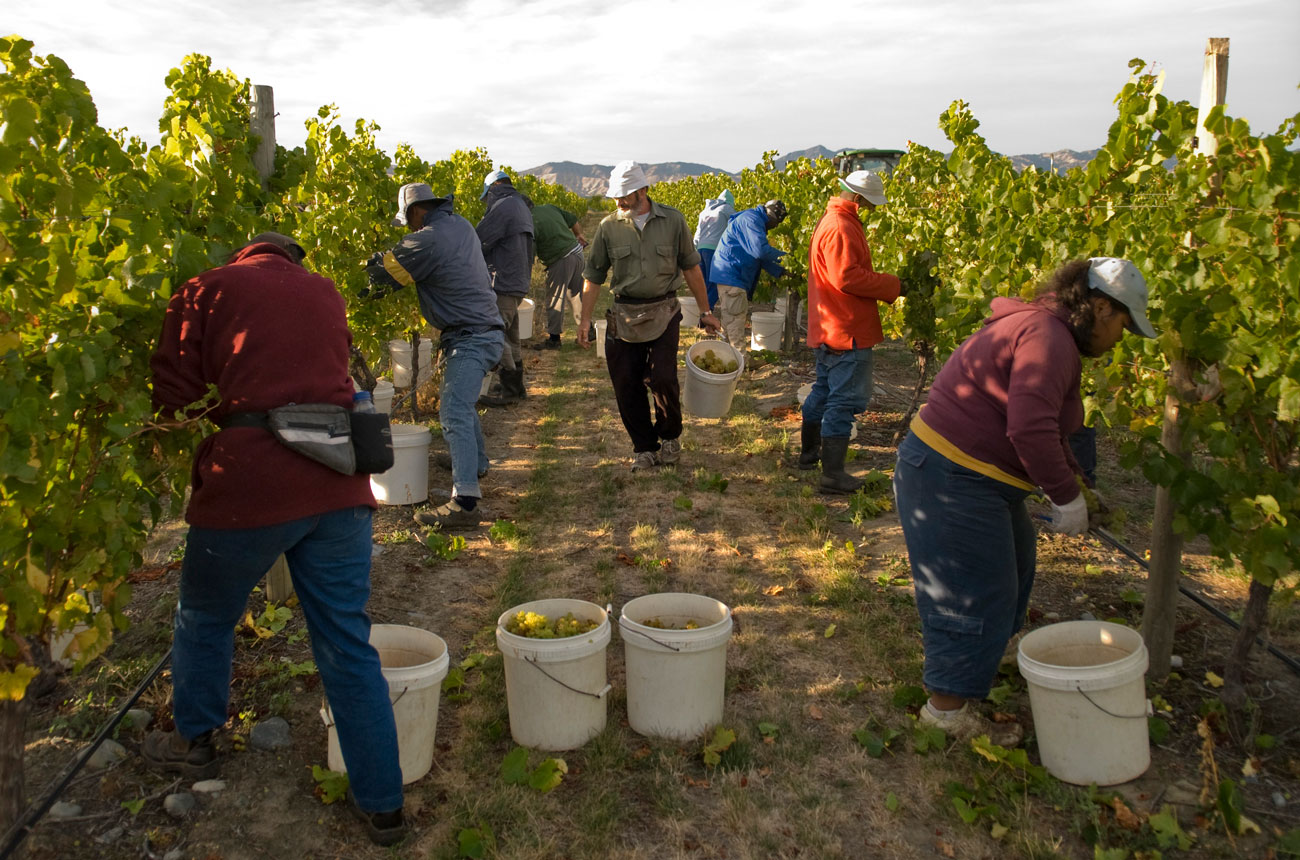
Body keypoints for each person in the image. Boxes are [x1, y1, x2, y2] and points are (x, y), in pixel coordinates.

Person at [146, 232, 407, 846]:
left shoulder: (205, 288)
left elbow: (173, 397)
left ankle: (196, 741)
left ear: (245, 255)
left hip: (250, 486)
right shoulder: (325, 291)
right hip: (338, 485)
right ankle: (384, 807)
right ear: (292, 258)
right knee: (347, 642)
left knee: (205, 615)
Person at [893, 257, 1156, 746]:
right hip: (951, 478)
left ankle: (985, 656)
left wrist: (1077, 485)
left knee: (1016, 569)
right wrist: (1064, 498)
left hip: (974, 476)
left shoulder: (1046, 328)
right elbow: (1029, 428)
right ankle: (945, 712)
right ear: (1100, 308)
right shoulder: (1048, 338)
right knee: (971, 591)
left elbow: (1049, 424)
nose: (1122, 338)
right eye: (1123, 324)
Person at [364, 183, 505, 529]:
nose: (409, 228)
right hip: (484, 330)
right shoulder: (460, 225)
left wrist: (362, 273)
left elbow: (385, 276)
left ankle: (466, 502)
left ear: (416, 211)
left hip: (471, 336)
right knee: (461, 402)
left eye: (408, 221)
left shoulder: (426, 239)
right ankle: (477, 465)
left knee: (453, 408)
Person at [578, 160, 721, 471]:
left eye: (625, 194)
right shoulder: (608, 227)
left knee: (663, 378)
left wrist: (706, 311)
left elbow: (692, 267)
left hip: (664, 310)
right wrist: (585, 320)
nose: (619, 202)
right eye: (616, 196)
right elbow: (594, 276)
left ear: (643, 189)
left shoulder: (673, 221)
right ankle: (644, 447)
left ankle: (669, 437)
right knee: (626, 382)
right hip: (625, 312)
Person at [800, 170, 902, 493]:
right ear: (856, 199)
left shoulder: (830, 221)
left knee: (825, 391)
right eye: (869, 204)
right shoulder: (842, 226)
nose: (871, 210)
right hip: (847, 329)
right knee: (843, 401)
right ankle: (832, 475)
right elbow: (847, 278)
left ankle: (808, 456)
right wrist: (893, 285)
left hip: (829, 326)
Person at [476, 169, 535, 406]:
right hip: (517, 281)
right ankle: (517, 387)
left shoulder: (502, 206)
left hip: (503, 281)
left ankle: (510, 389)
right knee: (512, 335)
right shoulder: (519, 204)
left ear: (493, 188)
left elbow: (479, 241)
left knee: (495, 335)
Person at [711, 199, 789, 349]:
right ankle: (740, 361)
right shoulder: (752, 220)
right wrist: (787, 258)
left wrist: (781, 271)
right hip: (733, 275)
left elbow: (758, 257)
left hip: (729, 274)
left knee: (729, 321)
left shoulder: (752, 219)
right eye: (776, 223)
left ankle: (729, 358)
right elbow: (760, 251)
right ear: (772, 216)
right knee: (735, 321)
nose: (776, 227)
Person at [530, 201, 588, 349]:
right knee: (576, 295)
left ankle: (554, 340)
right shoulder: (548, 207)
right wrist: (579, 234)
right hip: (578, 253)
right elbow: (573, 219)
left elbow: (529, 252)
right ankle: (589, 331)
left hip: (561, 258)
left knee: (555, 297)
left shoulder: (529, 220)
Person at [693, 189, 736, 312]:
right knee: (715, 283)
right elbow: (736, 223)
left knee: (703, 283)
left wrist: (695, 249)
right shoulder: (726, 208)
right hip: (714, 250)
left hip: (700, 249)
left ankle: (700, 312)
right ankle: (706, 312)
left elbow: (697, 233)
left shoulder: (705, 212)